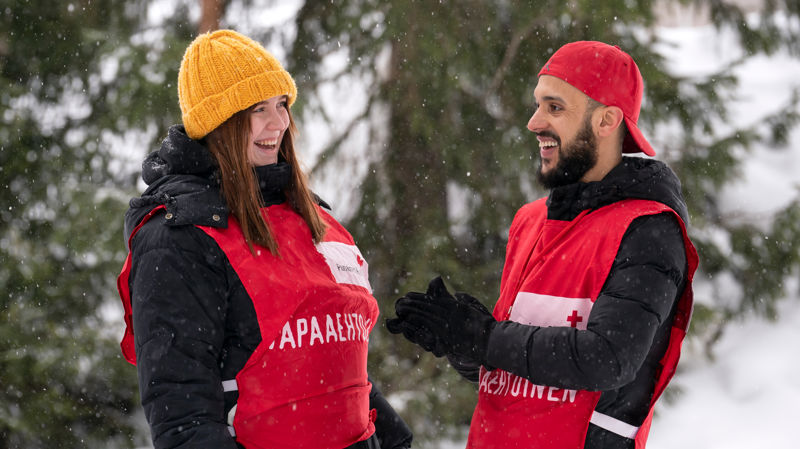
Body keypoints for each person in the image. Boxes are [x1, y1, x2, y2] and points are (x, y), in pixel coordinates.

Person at [386, 41, 698, 449]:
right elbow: (514, 368)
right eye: (537, 105)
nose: (534, 122)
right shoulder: (532, 220)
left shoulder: (648, 229)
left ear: (607, 120)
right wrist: (460, 340)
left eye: (554, 107)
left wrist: (484, 337)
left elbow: (608, 358)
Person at [116, 29, 412, 449]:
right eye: (258, 109)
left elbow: (332, 355)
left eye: (282, 105)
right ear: (219, 123)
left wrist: (391, 435)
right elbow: (183, 415)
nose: (279, 123)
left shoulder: (310, 215)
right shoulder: (178, 238)